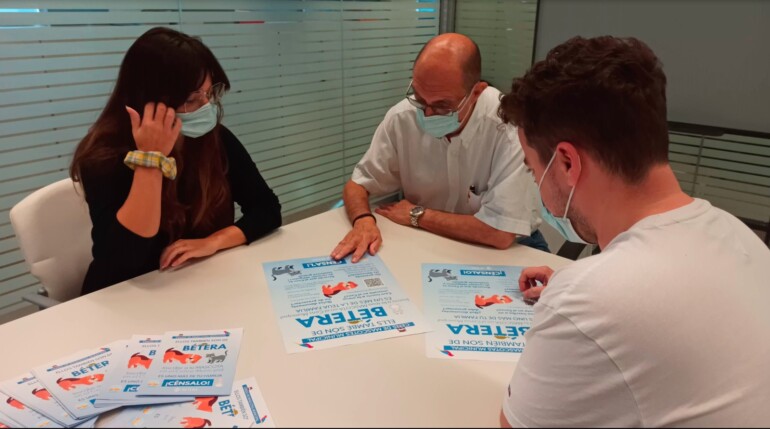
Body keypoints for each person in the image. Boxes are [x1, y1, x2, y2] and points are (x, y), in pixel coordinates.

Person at [498, 36, 770, 427]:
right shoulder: (738, 234)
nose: (536, 182)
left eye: (532, 168)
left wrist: (576, 300)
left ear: (567, 163)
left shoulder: (590, 300)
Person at [70, 27, 281, 295]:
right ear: (147, 102)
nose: (205, 106)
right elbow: (126, 258)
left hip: (195, 284)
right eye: (192, 99)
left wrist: (214, 241)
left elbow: (266, 208)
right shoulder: (103, 158)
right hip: (126, 296)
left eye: (209, 93)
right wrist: (151, 160)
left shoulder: (214, 139)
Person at [331, 33, 545, 263]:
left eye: (443, 106)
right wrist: (363, 220)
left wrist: (417, 215)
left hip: (513, 249)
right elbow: (357, 185)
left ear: (476, 93)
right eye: (420, 100)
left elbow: (499, 233)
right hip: (429, 239)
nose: (428, 114)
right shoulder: (402, 117)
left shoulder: (509, 128)